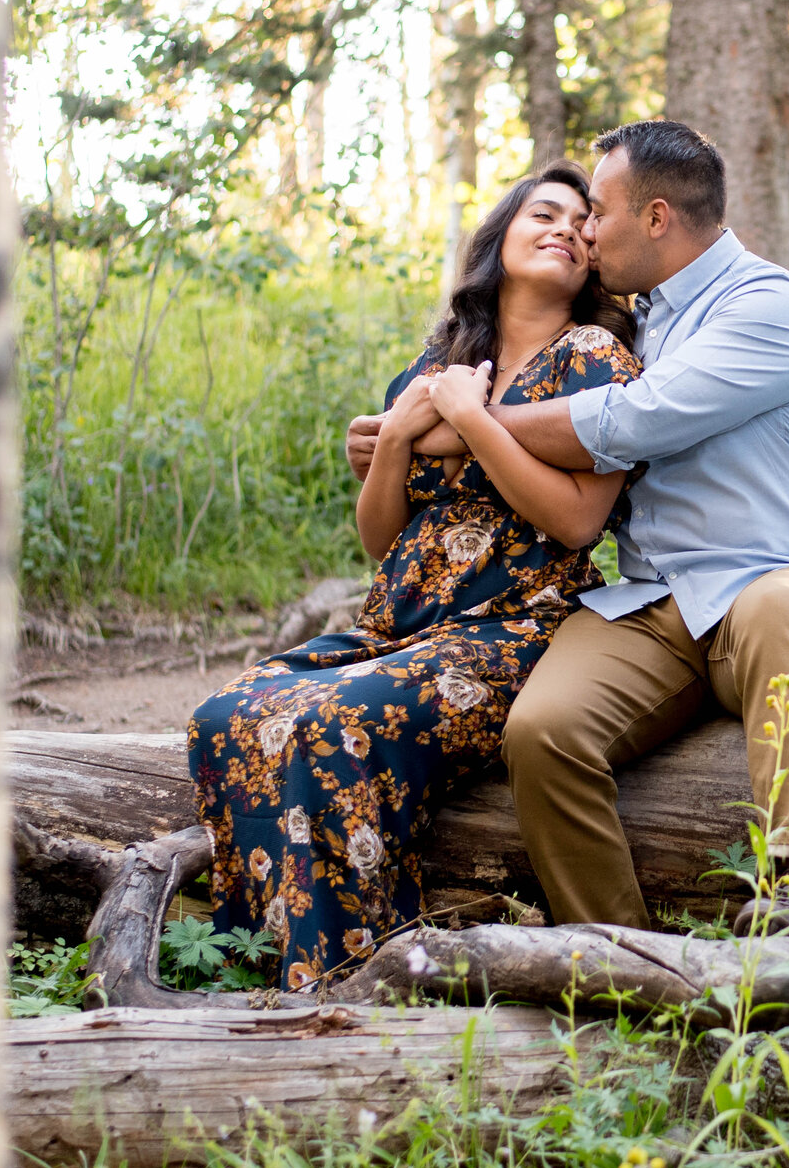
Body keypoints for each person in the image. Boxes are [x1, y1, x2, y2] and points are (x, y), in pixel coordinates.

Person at [347, 118, 789, 929]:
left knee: (775, 603)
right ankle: (618, 954)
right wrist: (397, 443)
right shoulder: (641, 322)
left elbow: (630, 421)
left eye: (599, 212)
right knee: (544, 730)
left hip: (780, 590)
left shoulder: (769, 306)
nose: (585, 230)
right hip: (658, 603)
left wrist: (450, 427)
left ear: (655, 218)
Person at [189, 164, 640, 992]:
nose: (566, 230)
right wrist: (396, 437)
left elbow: (577, 521)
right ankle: (253, 962)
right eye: (545, 212)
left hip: (514, 631)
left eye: (584, 225)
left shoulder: (595, 356)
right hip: (396, 628)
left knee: (337, 729)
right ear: (501, 234)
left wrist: (469, 420)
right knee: (225, 712)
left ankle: (359, 983)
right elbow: (378, 535)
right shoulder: (435, 364)